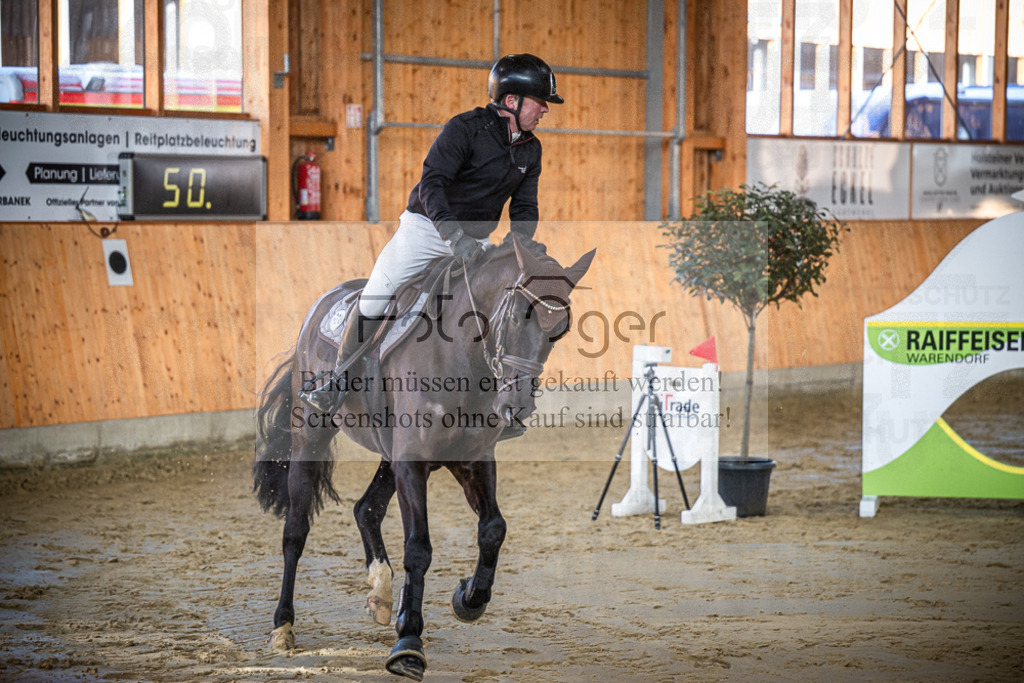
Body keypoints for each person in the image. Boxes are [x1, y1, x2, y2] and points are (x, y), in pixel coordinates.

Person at [302, 53, 563, 413]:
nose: (545, 110)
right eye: (541, 102)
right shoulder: (464, 128)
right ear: (511, 101)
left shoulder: (531, 149)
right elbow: (432, 184)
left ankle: (488, 394)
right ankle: (340, 379)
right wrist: (454, 238)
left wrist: (521, 245)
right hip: (427, 229)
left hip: (476, 241)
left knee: (496, 305)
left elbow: (524, 207)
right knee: (378, 294)